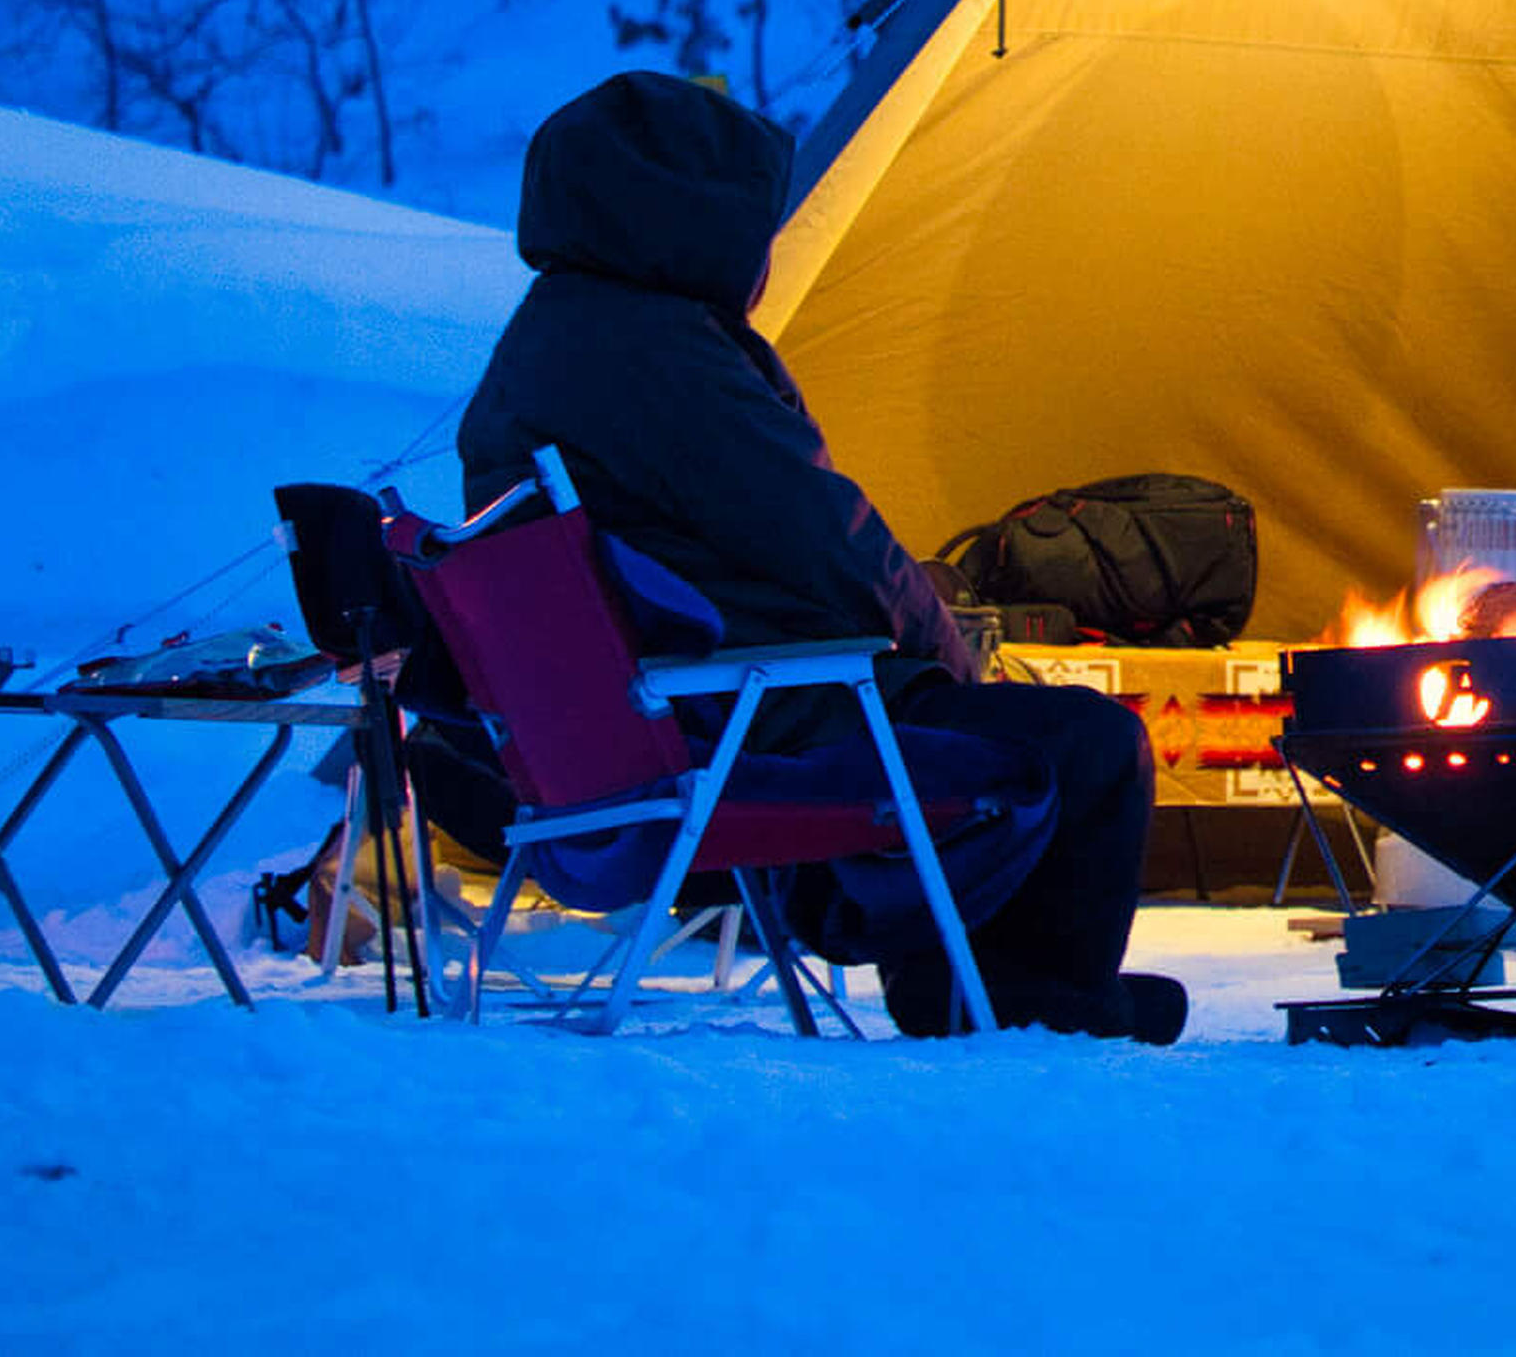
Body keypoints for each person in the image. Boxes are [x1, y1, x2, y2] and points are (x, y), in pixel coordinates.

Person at [458, 69, 1184, 1044]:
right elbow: (819, 533)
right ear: (700, 221)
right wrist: (941, 649)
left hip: (657, 724)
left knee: (988, 726)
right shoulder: (663, 358)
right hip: (759, 717)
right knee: (1088, 745)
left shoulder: (551, 340)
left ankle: (980, 992)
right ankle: (1040, 1011)